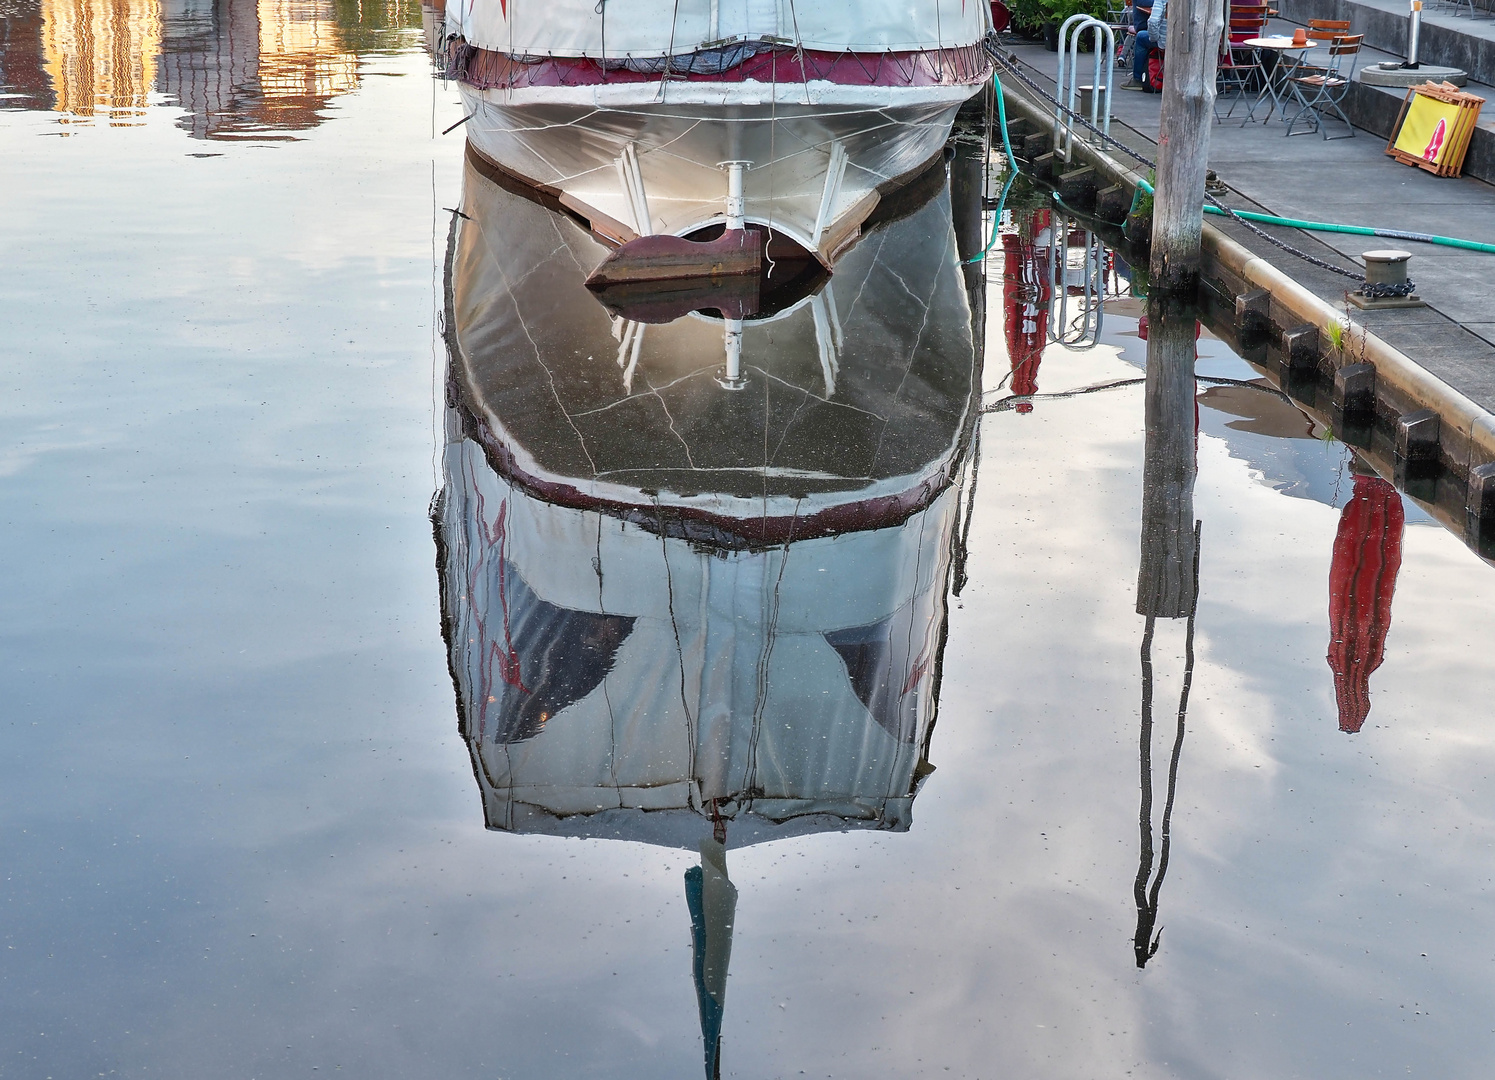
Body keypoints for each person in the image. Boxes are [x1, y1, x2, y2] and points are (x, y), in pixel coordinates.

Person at [1121, 0, 1155, 92]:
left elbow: (1153, 21)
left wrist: (1154, 36)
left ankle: (1138, 79)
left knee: (1141, 37)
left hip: (1151, 30)